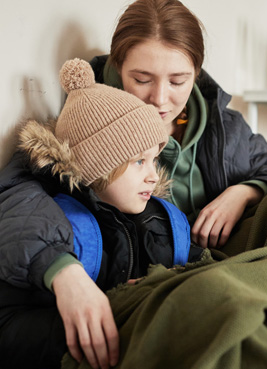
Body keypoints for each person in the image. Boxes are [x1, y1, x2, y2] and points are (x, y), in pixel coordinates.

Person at [0, 58, 197, 369]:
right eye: (137, 162)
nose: (153, 176)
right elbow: (10, 327)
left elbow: (203, 267)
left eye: (153, 161)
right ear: (97, 168)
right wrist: (109, 316)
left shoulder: (163, 221)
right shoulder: (63, 231)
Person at [89, 0, 267, 250]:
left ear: (196, 74)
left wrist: (243, 193)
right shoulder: (91, 129)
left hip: (234, 256)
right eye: (142, 79)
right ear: (118, 68)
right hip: (177, 273)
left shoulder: (223, 125)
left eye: (178, 82)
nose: (159, 99)